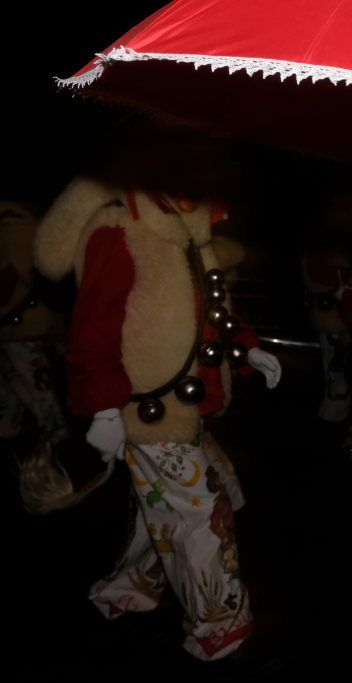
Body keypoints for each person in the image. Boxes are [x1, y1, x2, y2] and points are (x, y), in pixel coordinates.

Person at [32, 178, 281, 660]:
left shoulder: (190, 236)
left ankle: (129, 588)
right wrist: (104, 406)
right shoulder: (120, 230)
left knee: (172, 502)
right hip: (148, 410)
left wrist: (248, 349)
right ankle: (220, 627)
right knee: (203, 511)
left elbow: (214, 310)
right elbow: (94, 327)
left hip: (183, 407)